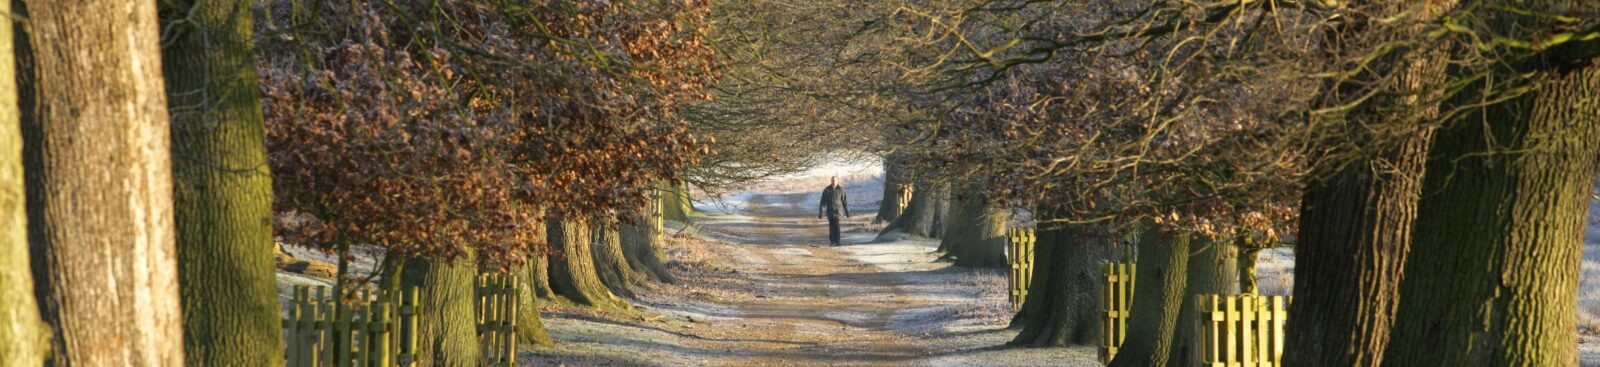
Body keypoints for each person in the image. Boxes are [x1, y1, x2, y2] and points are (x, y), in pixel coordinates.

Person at [818, 176, 851, 246]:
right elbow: (822, 202)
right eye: (832, 180)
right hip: (830, 211)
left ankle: (838, 241)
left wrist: (847, 211)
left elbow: (844, 201)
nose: (834, 182)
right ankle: (832, 241)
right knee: (831, 226)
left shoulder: (841, 189)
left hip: (838, 211)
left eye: (835, 180)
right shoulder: (827, 190)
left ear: (837, 181)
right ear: (831, 181)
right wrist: (821, 211)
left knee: (837, 226)